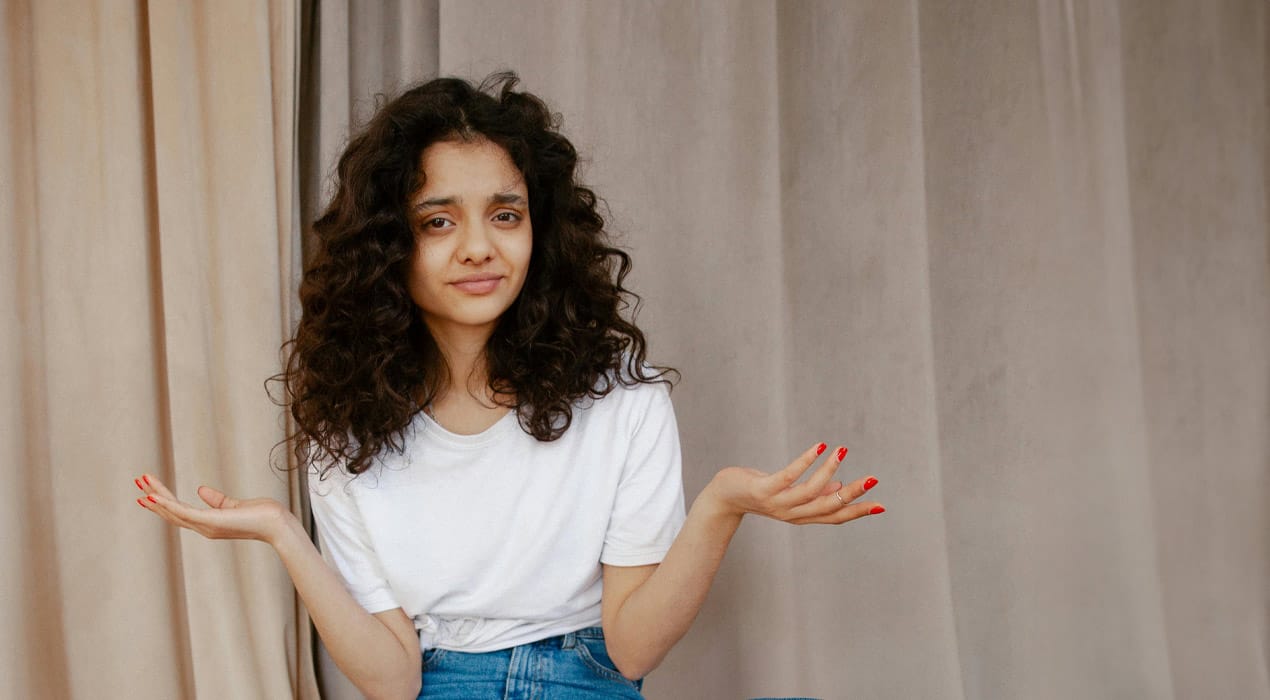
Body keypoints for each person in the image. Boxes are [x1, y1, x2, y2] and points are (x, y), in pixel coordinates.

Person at [133, 72, 885, 700]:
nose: (479, 248)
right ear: (389, 246)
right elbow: (393, 681)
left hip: (586, 678)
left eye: (505, 214)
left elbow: (630, 649)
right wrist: (284, 535)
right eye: (437, 221)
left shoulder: (623, 399)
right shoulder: (348, 432)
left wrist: (723, 505)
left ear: (540, 230)